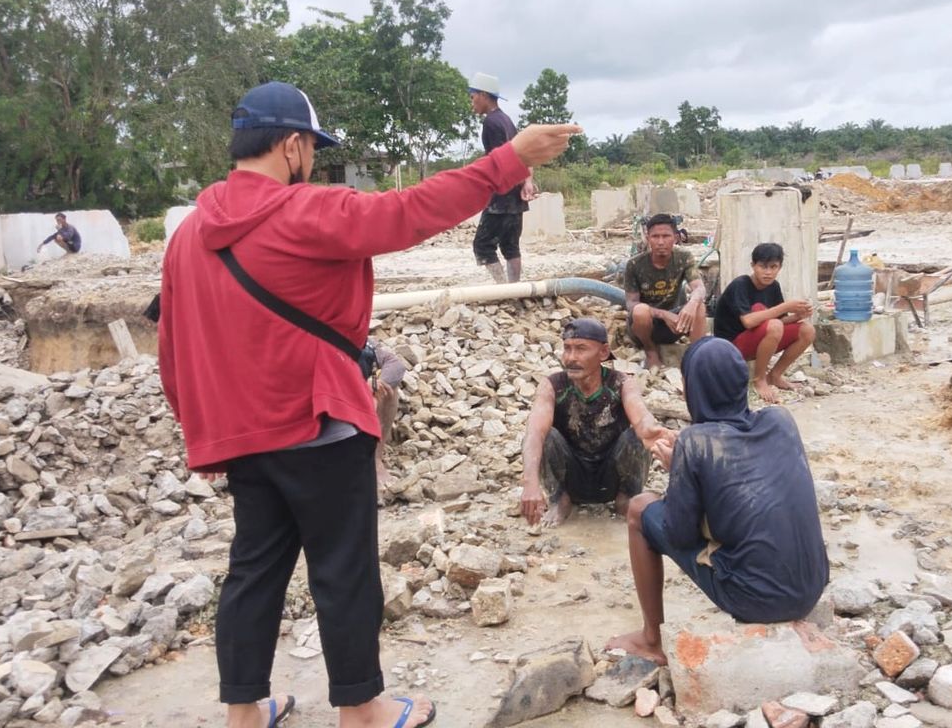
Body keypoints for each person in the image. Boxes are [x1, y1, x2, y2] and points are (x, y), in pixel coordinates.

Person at [158, 80, 579, 728]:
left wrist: (201, 433)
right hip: (320, 425)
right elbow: (408, 213)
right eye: (310, 150)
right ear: (292, 145)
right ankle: (362, 709)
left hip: (244, 436)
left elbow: (174, 343)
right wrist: (510, 159)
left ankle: (245, 712)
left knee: (251, 573)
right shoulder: (302, 211)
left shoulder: (188, 235)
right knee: (344, 571)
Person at [606, 336, 829, 665]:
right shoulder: (781, 420)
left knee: (640, 508)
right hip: (811, 587)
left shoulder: (696, 444)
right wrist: (693, 461)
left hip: (755, 600)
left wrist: (680, 471)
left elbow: (680, 534)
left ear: (693, 388)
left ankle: (651, 639)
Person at [519, 318, 669, 528]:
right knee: (543, 435)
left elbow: (641, 416)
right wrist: (530, 483)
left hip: (611, 477)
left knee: (636, 434)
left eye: (581, 349)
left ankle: (627, 499)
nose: (571, 358)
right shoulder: (553, 385)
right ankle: (559, 499)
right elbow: (535, 431)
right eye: (567, 349)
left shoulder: (621, 382)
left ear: (603, 352)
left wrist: (655, 432)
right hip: (572, 476)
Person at [713, 242, 814, 402]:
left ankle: (774, 375)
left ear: (780, 267)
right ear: (753, 265)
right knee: (773, 325)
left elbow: (780, 320)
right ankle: (759, 379)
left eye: (773, 267)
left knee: (807, 330)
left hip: (756, 339)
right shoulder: (740, 285)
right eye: (763, 266)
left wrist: (797, 316)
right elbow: (748, 321)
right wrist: (785, 306)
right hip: (730, 346)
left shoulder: (773, 287)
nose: (768, 272)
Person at [469, 72, 536, 284]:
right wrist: (527, 181)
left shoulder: (491, 123)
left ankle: (502, 288)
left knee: (482, 245)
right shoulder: (507, 120)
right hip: (515, 197)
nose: (472, 103)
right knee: (511, 246)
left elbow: (499, 161)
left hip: (501, 197)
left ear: (483, 95)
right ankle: (514, 289)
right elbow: (524, 154)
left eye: (473, 97)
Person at [624, 213, 707, 369]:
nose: (661, 242)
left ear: (675, 237)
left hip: (674, 325)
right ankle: (650, 350)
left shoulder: (684, 257)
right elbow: (631, 304)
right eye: (655, 236)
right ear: (647, 238)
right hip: (643, 328)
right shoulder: (635, 264)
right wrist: (663, 314)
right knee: (640, 310)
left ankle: (697, 357)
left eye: (666, 236)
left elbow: (699, 288)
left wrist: (692, 303)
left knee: (699, 306)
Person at [368, 339, 407, 486]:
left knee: (386, 387)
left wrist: (375, 389)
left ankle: (375, 459)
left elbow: (396, 365)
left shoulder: (360, 339)